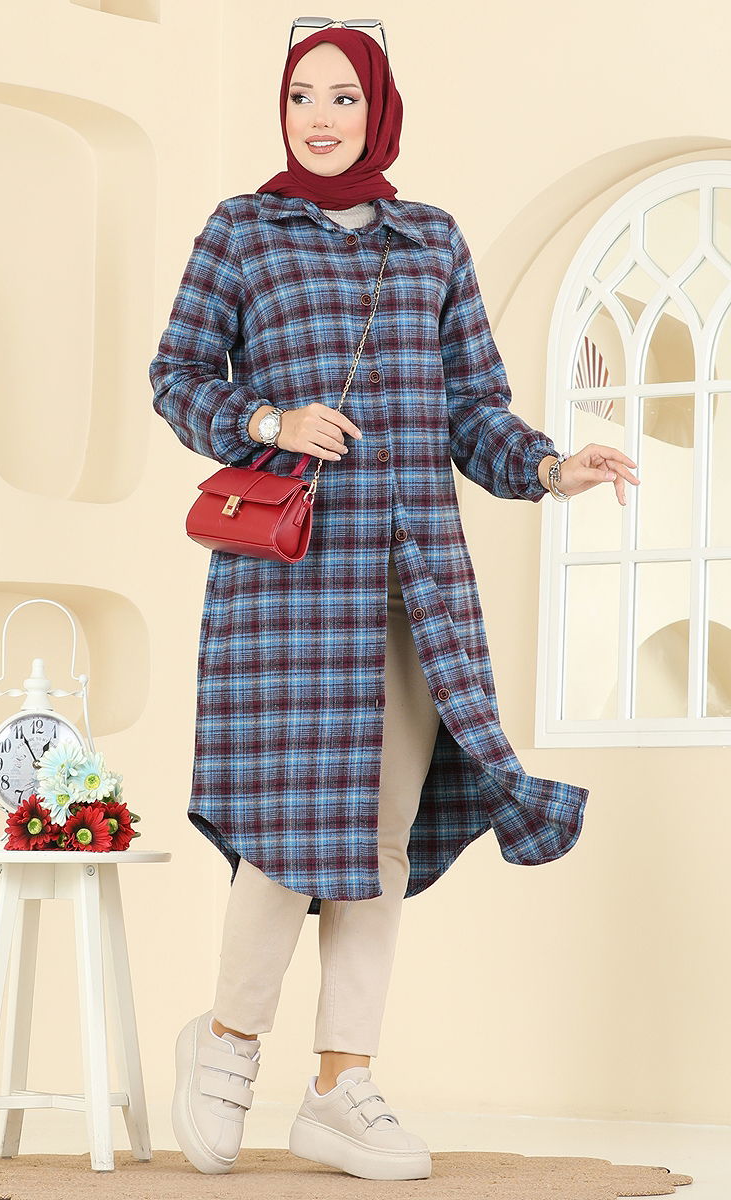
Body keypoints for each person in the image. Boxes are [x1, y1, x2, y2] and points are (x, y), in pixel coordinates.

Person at [149, 21, 640, 1183]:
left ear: (377, 108)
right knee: (286, 825)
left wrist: (548, 466)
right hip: (286, 581)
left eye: (341, 97)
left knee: (373, 838)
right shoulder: (241, 231)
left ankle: (339, 1084)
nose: (318, 118)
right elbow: (176, 377)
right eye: (299, 96)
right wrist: (266, 421)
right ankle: (227, 1043)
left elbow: (471, 409)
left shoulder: (429, 242)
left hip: (410, 579)